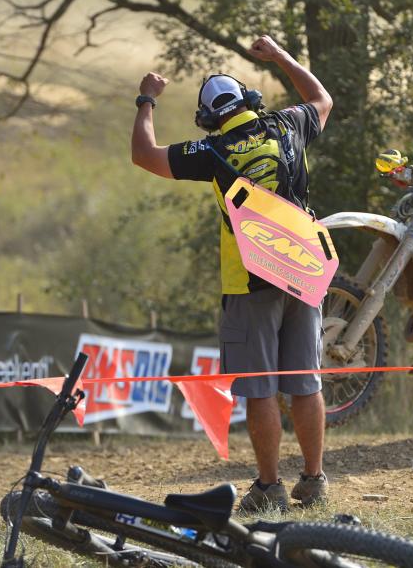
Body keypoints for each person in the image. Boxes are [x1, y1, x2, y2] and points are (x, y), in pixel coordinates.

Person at [130, 34, 333, 512]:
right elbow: (322, 99)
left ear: (208, 117)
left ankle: (269, 488)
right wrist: (282, 56)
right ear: (250, 102)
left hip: (249, 280)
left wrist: (146, 100)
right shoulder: (289, 124)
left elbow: (144, 154)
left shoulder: (209, 150)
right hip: (305, 272)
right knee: (305, 380)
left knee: (259, 386)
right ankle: (315, 479)